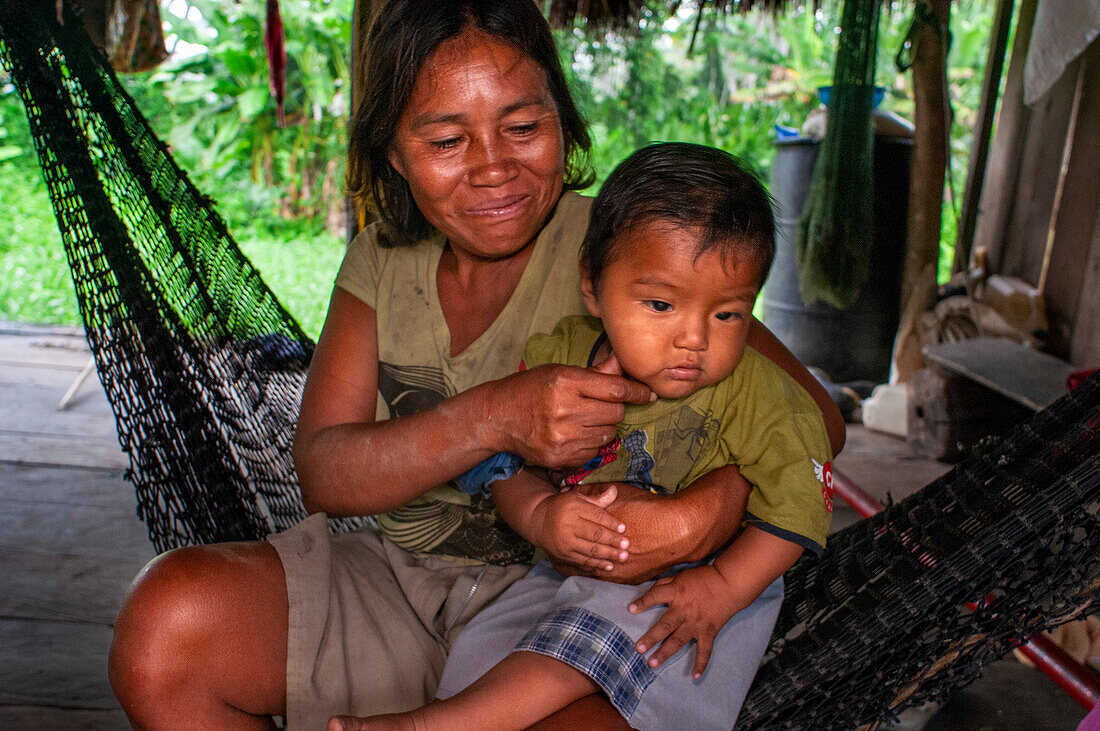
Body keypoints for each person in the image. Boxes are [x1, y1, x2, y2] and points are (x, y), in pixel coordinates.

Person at [107, 2, 846, 728]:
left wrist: (701, 512)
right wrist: (497, 414)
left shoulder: (633, 255)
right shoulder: (379, 264)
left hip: (576, 605)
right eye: (446, 141)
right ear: (394, 153)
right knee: (163, 635)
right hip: (396, 586)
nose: (495, 168)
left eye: (524, 127)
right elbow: (325, 472)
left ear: (562, 119)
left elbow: (813, 420)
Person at [334, 142, 833, 731]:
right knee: (484, 656)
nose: (694, 338)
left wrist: (721, 587)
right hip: (560, 576)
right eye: (659, 304)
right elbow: (503, 466)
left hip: (688, 592)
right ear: (593, 289)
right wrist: (543, 514)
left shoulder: (759, 393)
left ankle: (431, 727)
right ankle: (458, 712)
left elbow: (802, 500)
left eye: (728, 314)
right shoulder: (561, 357)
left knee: (579, 644)